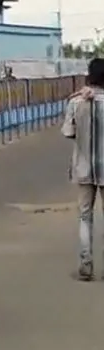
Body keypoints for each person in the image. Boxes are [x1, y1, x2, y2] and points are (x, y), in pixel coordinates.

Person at [61, 57, 104, 281]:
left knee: (85, 217)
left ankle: (86, 265)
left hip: (84, 167)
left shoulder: (76, 102)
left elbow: (68, 132)